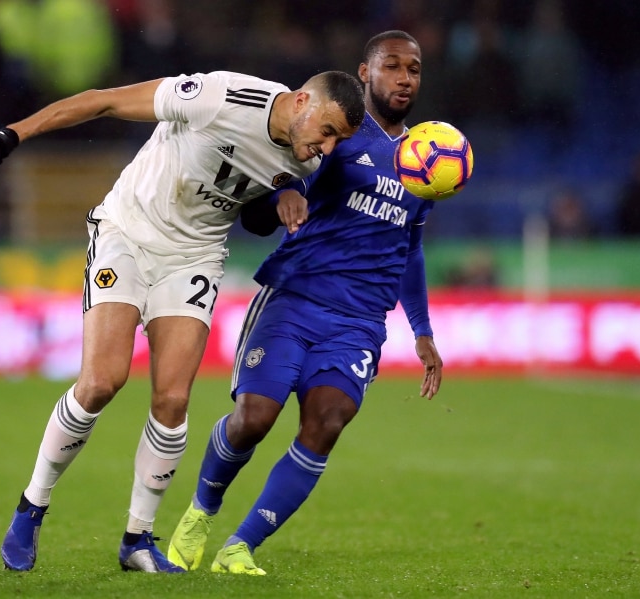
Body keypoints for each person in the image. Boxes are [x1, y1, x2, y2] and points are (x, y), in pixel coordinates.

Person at [0, 69, 365, 572]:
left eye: (338, 140)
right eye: (327, 131)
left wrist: (282, 197)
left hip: (195, 257)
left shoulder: (305, 155)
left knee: (174, 399)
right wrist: (15, 133)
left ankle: (137, 539)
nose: (327, 148)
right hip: (128, 234)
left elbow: (252, 212)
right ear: (303, 101)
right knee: (100, 383)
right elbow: (106, 102)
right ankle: (32, 507)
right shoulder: (222, 96)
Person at [166, 30, 442, 576]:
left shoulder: (425, 161)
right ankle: (201, 510)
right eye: (392, 66)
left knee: (328, 421)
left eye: (413, 68)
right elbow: (260, 202)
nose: (405, 77)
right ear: (365, 74)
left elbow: (410, 248)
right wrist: (281, 195)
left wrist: (422, 330)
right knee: (254, 418)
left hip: (361, 321)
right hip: (294, 298)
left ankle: (240, 547)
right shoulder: (332, 137)